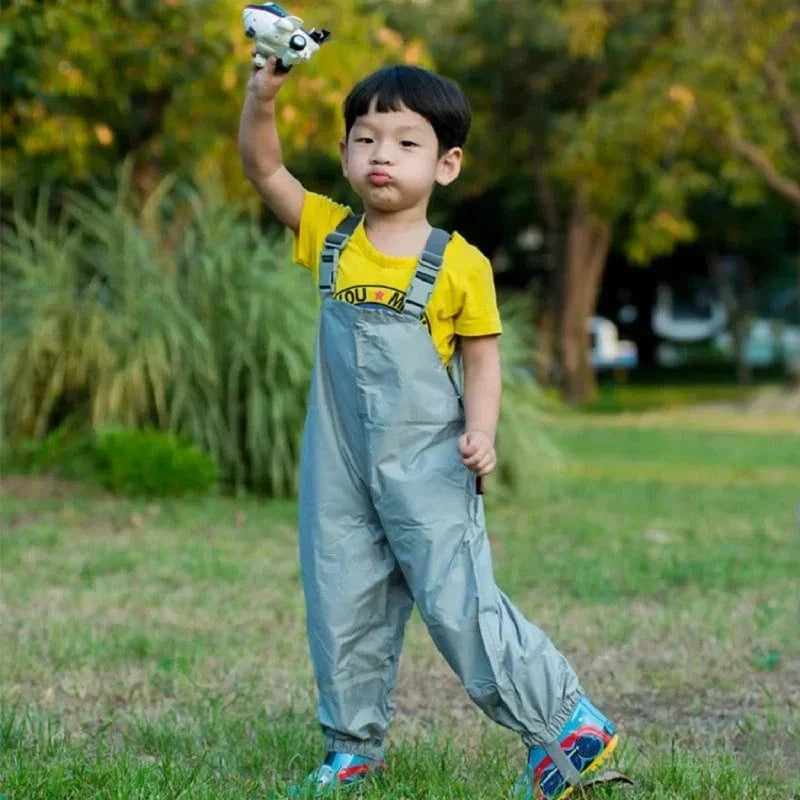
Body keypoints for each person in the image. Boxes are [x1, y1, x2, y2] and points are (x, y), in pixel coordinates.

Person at [239, 55, 618, 800]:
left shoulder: (459, 263)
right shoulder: (327, 232)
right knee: (339, 594)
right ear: (346, 153)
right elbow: (261, 167)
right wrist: (262, 95)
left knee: (456, 601)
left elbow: (483, 362)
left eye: (404, 142)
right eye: (365, 138)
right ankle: (352, 750)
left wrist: (483, 432)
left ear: (446, 165)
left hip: (429, 462)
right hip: (340, 462)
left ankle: (566, 727)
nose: (381, 154)